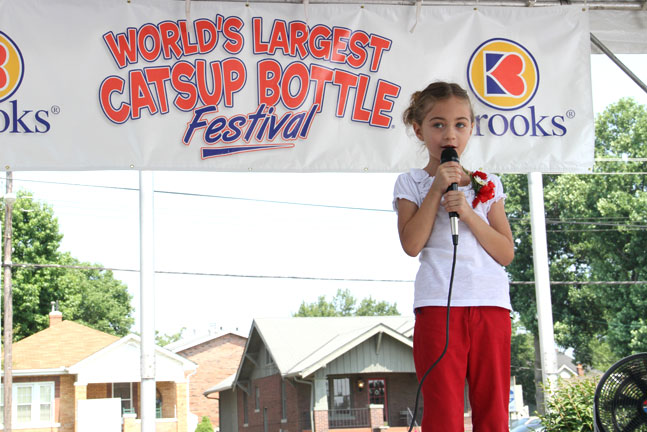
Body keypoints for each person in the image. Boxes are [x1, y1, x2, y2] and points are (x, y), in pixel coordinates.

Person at [393, 81, 514, 431]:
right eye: (438, 124)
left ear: (472, 128)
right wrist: (436, 189)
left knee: (493, 409)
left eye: (460, 124)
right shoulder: (410, 183)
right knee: (443, 411)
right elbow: (411, 244)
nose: (450, 135)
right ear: (419, 129)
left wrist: (470, 211)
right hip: (438, 305)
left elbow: (505, 252)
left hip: (490, 304)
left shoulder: (487, 183)